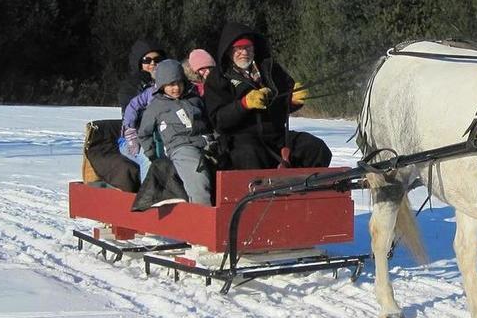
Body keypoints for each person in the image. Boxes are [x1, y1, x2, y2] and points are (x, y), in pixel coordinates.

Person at [203, 25, 331, 170]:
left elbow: (285, 97)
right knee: (250, 155)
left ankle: (306, 189)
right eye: (238, 48)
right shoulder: (217, 78)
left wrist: (292, 101)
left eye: (248, 47)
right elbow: (218, 120)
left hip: (277, 136)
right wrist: (244, 104)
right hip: (240, 140)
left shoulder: (270, 69)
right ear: (228, 50)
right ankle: (261, 192)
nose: (244, 52)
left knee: (316, 148)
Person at [136, 59, 215, 206]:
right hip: (181, 147)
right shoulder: (156, 106)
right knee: (198, 178)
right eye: (171, 84)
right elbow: (144, 133)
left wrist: (215, 137)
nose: (176, 88)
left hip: (205, 141)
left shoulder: (194, 99)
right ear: (162, 85)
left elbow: (208, 121)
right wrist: (152, 154)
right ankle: (202, 217)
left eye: (179, 83)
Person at [118, 41, 167, 181]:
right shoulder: (130, 86)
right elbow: (130, 114)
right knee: (149, 159)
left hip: (164, 136)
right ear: (139, 63)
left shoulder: (169, 83)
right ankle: (148, 199)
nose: (152, 64)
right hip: (133, 139)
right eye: (147, 60)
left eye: (157, 60)